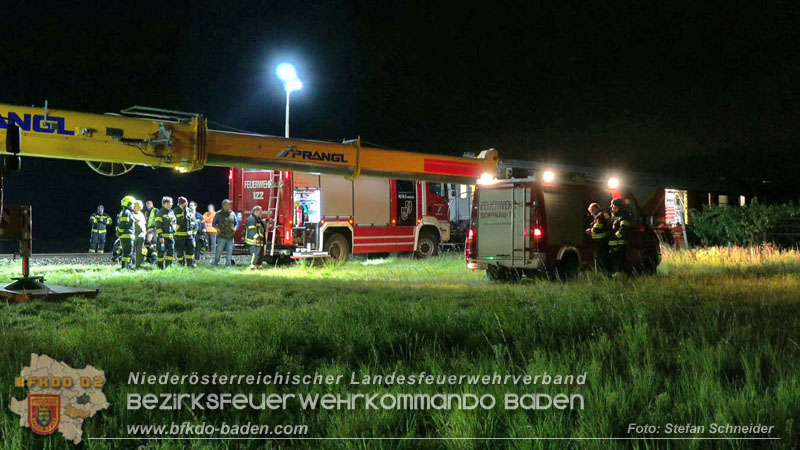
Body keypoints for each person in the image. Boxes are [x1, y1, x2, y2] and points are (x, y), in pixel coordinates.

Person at [608, 197, 632, 275]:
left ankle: (621, 276)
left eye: (612, 205)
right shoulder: (614, 215)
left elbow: (623, 229)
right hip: (614, 244)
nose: (611, 207)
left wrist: (614, 236)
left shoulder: (624, 215)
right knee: (614, 261)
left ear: (617, 206)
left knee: (620, 261)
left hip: (620, 244)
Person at [585, 203, 611, 274]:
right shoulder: (602, 215)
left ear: (596, 209)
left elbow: (598, 228)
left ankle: (603, 273)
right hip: (601, 242)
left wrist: (590, 230)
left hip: (601, 242)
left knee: (602, 259)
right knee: (601, 258)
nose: (591, 214)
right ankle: (603, 273)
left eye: (591, 211)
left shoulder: (600, 216)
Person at [212, 199, 239, 266]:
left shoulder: (232, 213)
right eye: (228, 204)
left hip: (231, 237)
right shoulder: (218, 214)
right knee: (219, 251)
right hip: (222, 237)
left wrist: (235, 228)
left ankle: (228, 265)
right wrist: (217, 229)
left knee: (229, 252)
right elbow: (213, 224)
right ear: (224, 205)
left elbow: (236, 223)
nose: (230, 205)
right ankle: (216, 264)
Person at [154, 196, 177, 269]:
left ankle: (168, 266)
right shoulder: (160, 213)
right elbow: (158, 225)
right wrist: (160, 236)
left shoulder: (171, 212)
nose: (172, 204)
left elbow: (174, 223)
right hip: (163, 237)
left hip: (171, 236)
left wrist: (173, 223)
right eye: (170, 202)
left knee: (170, 252)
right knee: (161, 252)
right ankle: (160, 268)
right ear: (165, 203)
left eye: (172, 202)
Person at [174, 196, 197, 267]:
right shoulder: (175, 211)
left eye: (186, 203)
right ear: (180, 204)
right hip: (179, 235)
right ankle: (181, 264)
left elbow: (193, 221)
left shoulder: (189, 210)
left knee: (191, 248)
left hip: (189, 235)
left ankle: (190, 264)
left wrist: (192, 229)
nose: (186, 204)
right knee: (179, 251)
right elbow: (173, 223)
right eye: (184, 203)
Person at [116, 196, 137, 270]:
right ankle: (125, 268)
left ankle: (128, 267)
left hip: (128, 235)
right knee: (127, 253)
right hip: (127, 236)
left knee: (128, 253)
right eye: (132, 204)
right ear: (127, 203)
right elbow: (123, 224)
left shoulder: (127, 212)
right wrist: (120, 232)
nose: (133, 206)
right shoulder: (126, 212)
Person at [132, 200, 148, 268]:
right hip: (133, 235)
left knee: (139, 251)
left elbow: (144, 224)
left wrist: (144, 233)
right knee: (131, 251)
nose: (142, 205)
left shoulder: (141, 214)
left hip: (141, 235)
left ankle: (138, 265)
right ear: (135, 206)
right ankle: (130, 265)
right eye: (140, 204)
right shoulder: (131, 213)